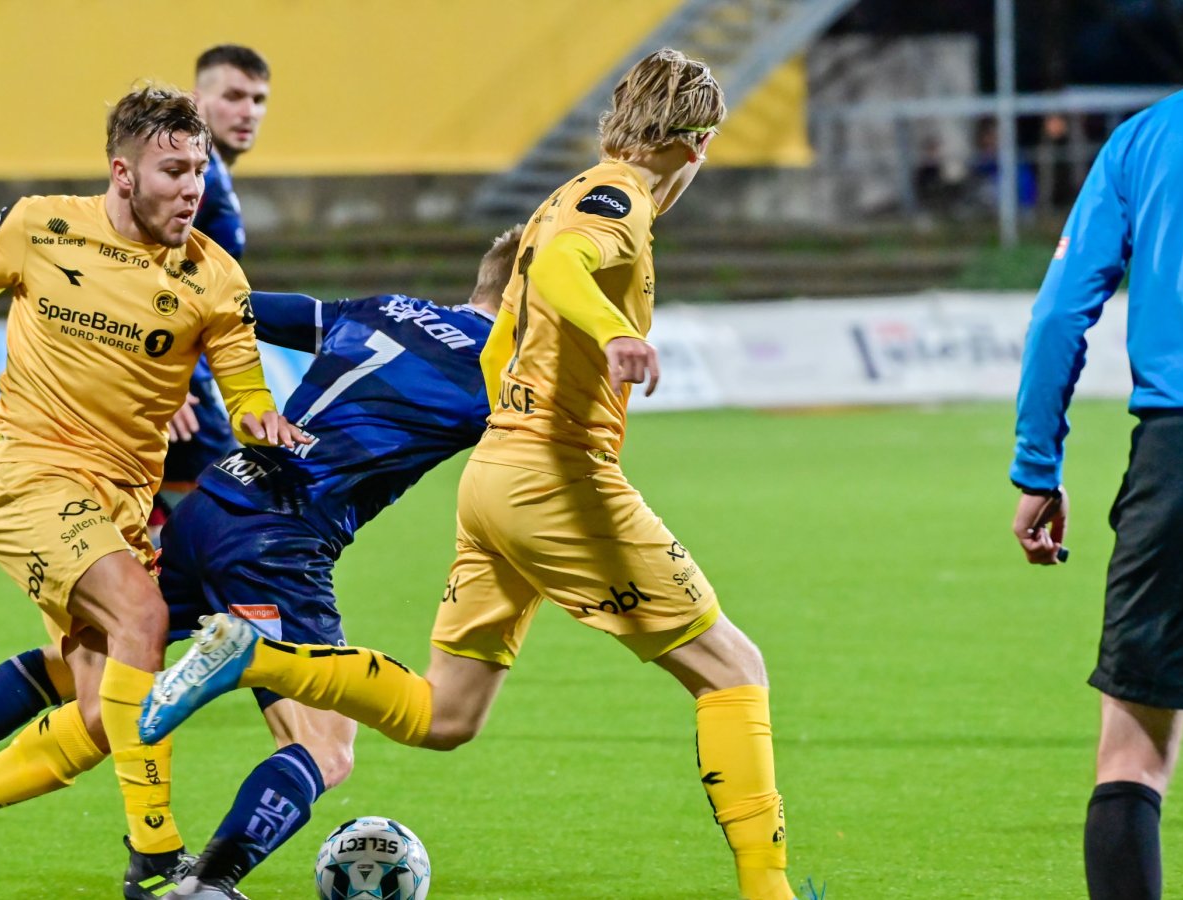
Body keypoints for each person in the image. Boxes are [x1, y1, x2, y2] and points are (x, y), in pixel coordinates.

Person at [143, 49, 801, 900]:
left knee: (445, 716)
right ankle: (770, 893)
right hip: (556, 481)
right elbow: (568, 266)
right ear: (697, 143)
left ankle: (255, 661)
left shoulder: (560, 197)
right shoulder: (615, 200)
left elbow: (512, 320)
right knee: (734, 670)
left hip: (495, 479)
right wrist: (614, 334)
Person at [0, 228, 519, 899]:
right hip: (276, 544)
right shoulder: (501, 373)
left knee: (108, 695)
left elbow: (229, 306)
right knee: (324, 748)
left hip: (211, 504)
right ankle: (205, 884)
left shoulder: (385, 309)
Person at [0, 84, 301, 900]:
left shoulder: (214, 275)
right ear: (123, 173)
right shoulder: (41, 226)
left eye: (199, 170)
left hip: (116, 502)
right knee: (147, 619)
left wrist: (265, 421)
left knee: (101, 713)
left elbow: (245, 386)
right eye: (172, 170)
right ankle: (155, 861)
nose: (191, 188)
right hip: (28, 477)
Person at [1010, 84, 1183, 900]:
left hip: (1178, 460)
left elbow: (1058, 317)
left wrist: (1037, 469)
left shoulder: (1146, 137)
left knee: (1132, 756)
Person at [159, 45, 273, 535]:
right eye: (232, 95)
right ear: (196, 99)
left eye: (258, 98)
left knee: (182, 538)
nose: (247, 111)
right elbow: (131, 270)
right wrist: (162, 378)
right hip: (177, 388)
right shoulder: (188, 181)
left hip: (191, 382)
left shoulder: (212, 178)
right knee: (221, 534)